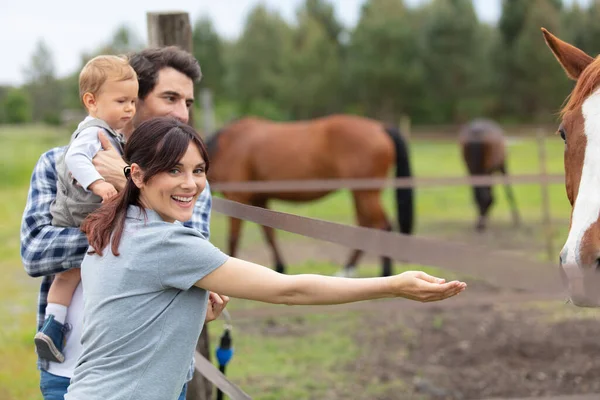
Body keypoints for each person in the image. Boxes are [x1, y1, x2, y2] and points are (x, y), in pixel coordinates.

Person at [64, 117, 467, 400]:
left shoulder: (114, 228)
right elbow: (289, 290)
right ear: (135, 175)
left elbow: (123, 318)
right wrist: (393, 284)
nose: (191, 184)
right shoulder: (165, 243)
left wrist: (181, 312)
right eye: (174, 171)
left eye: (199, 170)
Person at [20, 46, 228, 400]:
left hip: (155, 376)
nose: (181, 114)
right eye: (170, 98)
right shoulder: (59, 162)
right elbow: (36, 252)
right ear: (133, 101)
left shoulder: (188, 180)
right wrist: (136, 234)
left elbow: (187, 259)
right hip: (67, 372)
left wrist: (127, 185)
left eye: (188, 103)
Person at [34, 54, 138, 365]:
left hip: (80, 213)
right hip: (79, 213)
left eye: (133, 101)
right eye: (121, 101)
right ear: (91, 101)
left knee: (69, 275)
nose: (130, 109)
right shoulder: (94, 132)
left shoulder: (106, 132)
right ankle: (55, 327)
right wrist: (98, 184)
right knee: (74, 273)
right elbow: (75, 160)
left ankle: (52, 325)